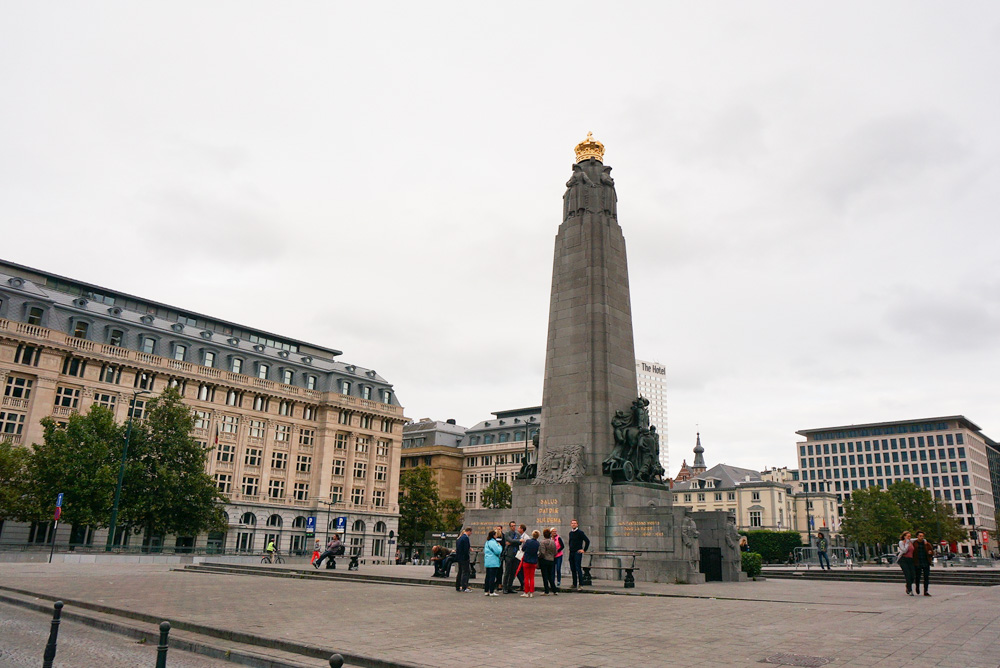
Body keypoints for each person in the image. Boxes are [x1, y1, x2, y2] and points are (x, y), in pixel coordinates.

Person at [568, 519, 590, 590]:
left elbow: (587, 541)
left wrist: (584, 550)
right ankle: (574, 583)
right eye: (572, 523)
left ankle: (581, 584)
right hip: (571, 552)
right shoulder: (570, 533)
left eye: (575, 523)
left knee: (578, 568)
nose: (573, 524)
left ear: (577, 525)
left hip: (577, 552)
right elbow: (570, 542)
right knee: (573, 568)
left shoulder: (580, 532)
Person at [501, 521, 522, 594]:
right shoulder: (507, 534)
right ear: (510, 527)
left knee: (513, 572)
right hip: (509, 555)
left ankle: (510, 586)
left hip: (516, 555)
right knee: (507, 572)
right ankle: (504, 587)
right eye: (512, 526)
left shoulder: (517, 534)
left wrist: (514, 542)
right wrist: (516, 541)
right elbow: (510, 540)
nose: (514, 527)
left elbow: (519, 542)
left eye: (515, 525)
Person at [913, 531, 934, 596]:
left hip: (925, 562)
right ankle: (917, 587)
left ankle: (926, 591)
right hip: (917, 562)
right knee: (918, 576)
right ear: (917, 536)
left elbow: (932, 552)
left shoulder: (927, 544)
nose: (921, 537)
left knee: (926, 577)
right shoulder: (914, 543)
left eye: (922, 536)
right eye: (920, 536)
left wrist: (930, 553)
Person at [520, 530, 540, 598]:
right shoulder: (537, 543)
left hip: (526, 560)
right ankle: (531, 592)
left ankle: (526, 592)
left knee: (526, 577)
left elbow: (523, 549)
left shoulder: (528, 541)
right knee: (532, 578)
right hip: (533, 561)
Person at [538, 528, 558, 595]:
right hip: (551, 560)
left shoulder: (542, 542)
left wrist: (539, 557)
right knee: (550, 576)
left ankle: (546, 590)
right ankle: (554, 590)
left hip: (544, 560)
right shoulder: (552, 542)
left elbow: (542, 552)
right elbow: (555, 551)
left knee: (544, 576)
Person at [483, 530, 503, 596]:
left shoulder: (487, 542)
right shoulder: (493, 542)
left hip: (488, 561)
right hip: (493, 561)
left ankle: (486, 591)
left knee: (487, 576)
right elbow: (497, 551)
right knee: (492, 577)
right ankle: (491, 591)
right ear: (494, 536)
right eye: (496, 535)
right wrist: (500, 546)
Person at [896, 530, 916, 595]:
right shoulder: (901, 542)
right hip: (903, 559)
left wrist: (924, 540)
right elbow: (904, 550)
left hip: (910, 559)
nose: (909, 538)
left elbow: (917, 539)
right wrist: (907, 543)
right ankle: (910, 590)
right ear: (904, 536)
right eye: (908, 536)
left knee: (913, 575)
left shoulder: (911, 541)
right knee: (907, 574)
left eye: (910, 536)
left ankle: (908, 585)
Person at [455, 527, 473, 592]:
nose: (471, 533)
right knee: (465, 572)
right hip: (464, 558)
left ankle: (457, 586)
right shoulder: (465, 538)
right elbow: (465, 549)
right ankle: (464, 587)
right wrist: (467, 557)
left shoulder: (460, 538)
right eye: (471, 532)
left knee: (460, 572)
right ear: (468, 531)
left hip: (459, 557)